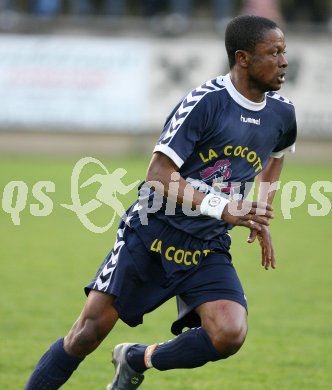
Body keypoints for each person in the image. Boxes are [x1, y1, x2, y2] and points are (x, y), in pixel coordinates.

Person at [24, 15, 297, 389]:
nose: (284, 61)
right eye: (274, 52)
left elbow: (277, 156)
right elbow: (158, 174)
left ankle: (137, 358)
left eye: (285, 52)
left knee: (229, 332)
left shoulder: (283, 113)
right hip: (152, 234)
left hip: (206, 245)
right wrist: (225, 208)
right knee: (86, 335)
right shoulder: (206, 103)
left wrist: (261, 215)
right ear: (243, 58)